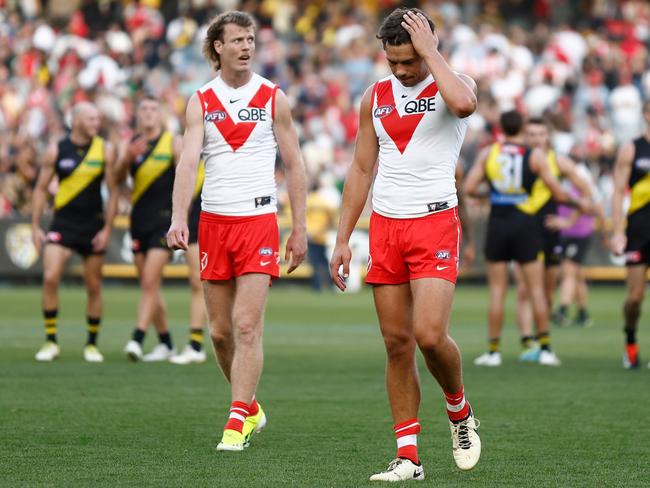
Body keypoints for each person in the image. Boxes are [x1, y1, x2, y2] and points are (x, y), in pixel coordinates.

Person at [330, 9, 480, 481]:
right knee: (397, 343)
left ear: (428, 46)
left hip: (434, 221)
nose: (400, 70)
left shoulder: (454, 81)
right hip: (386, 226)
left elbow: (465, 107)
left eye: (408, 60)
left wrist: (432, 53)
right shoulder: (374, 96)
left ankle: (459, 412)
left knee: (430, 336)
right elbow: (360, 169)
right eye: (392, 61)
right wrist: (342, 238)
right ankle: (409, 457)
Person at [166, 11, 307, 451]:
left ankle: (235, 422)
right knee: (220, 333)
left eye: (250, 39)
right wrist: (177, 217)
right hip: (214, 223)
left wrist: (299, 228)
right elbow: (188, 162)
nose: (246, 46)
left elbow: (295, 164)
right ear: (218, 48)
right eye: (237, 40)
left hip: (259, 222)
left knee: (247, 326)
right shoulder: (200, 100)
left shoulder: (272, 97)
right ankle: (250, 406)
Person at [464, 110, 590, 368]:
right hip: (526, 226)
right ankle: (545, 348)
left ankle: (493, 351)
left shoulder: (490, 153)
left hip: (498, 224)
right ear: (522, 128)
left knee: (497, 291)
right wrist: (578, 204)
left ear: (501, 128)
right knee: (536, 290)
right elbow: (558, 191)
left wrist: (491, 193)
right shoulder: (534, 156)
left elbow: (468, 188)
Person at [32, 102, 118, 363]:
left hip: (92, 225)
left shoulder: (105, 149)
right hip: (63, 224)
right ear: (76, 120)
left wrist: (107, 229)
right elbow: (39, 188)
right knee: (50, 277)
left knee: (93, 285)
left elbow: (114, 192)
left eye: (97, 118)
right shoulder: (56, 149)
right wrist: (35, 225)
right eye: (91, 118)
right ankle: (50, 341)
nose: (96, 123)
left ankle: (91, 344)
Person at [119, 96, 181, 362]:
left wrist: (181, 219)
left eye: (153, 109)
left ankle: (137, 338)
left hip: (164, 221)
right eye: (143, 108)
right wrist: (126, 159)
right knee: (150, 286)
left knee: (149, 281)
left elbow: (185, 177)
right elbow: (116, 181)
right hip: (138, 221)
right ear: (137, 114)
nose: (148, 113)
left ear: (161, 114)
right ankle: (166, 343)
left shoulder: (172, 142)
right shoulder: (132, 144)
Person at [611, 100, 650, 369]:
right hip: (638, 229)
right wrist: (617, 232)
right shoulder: (631, 149)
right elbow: (616, 192)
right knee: (635, 296)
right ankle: (631, 339)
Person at [551, 162, 606, 328]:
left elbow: (596, 206)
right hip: (566, 233)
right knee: (576, 275)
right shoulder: (561, 180)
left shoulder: (583, 183)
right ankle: (583, 313)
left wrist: (604, 232)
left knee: (568, 270)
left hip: (579, 232)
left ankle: (563, 309)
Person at [170, 160, 208, 365]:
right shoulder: (186, 140)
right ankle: (195, 343)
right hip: (193, 218)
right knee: (198, 280)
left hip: (221, 214)